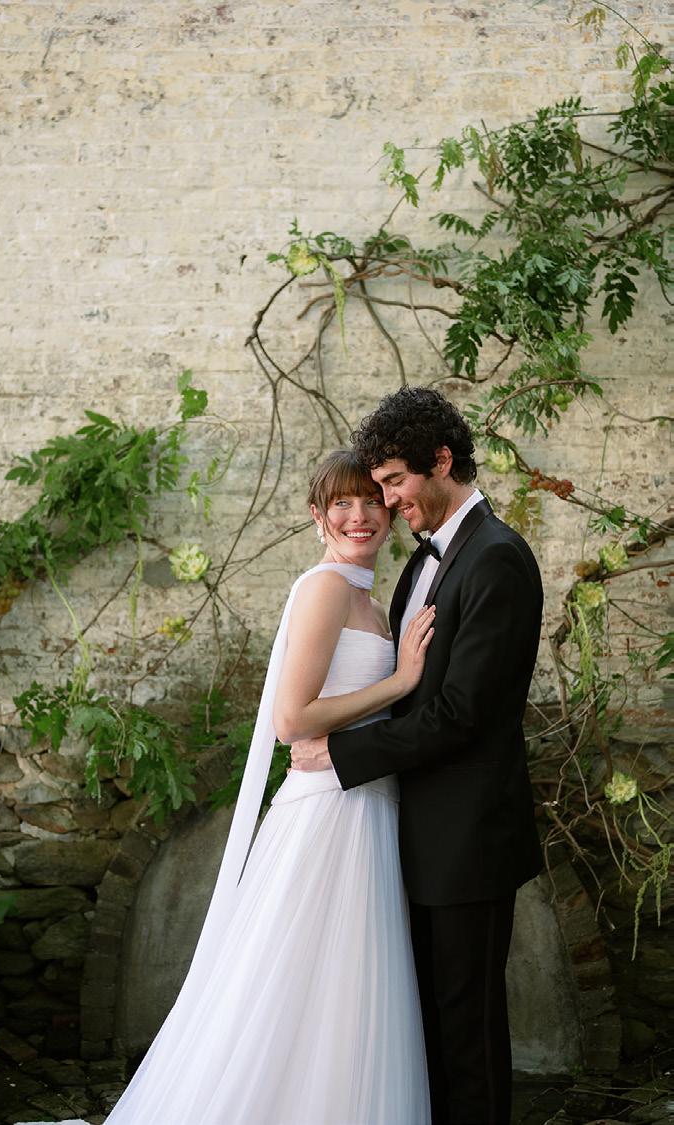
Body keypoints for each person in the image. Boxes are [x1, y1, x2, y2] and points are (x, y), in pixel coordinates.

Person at [105, 451, 434, 1125]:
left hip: (368, 809)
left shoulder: (374, 603)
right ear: (317, 517)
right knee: (291, 985)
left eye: (371, 500)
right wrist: (401, 681)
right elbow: (292, 720)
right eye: (341, 503)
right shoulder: (325, 589)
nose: (359, 515)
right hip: (325, 816)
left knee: (342, 994)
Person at [292, 387, 544, 1125]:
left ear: (441, 460)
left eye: (395, 481)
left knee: (467, 1032)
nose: (387, 501)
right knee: (427, 1028)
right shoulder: (427, 561)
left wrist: (343, 755)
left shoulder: (497, 558)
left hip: (468, 839)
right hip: (409, 832)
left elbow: (461, 714)